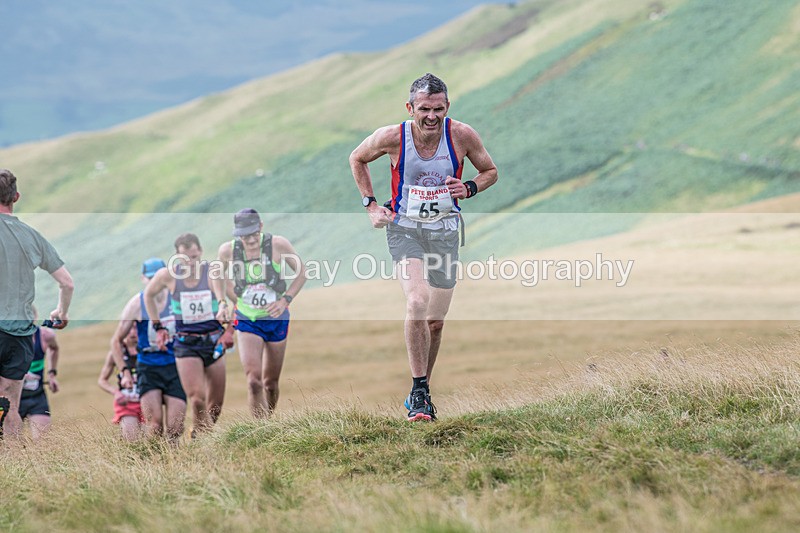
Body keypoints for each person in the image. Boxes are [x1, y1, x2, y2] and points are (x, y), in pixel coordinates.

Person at [349, 74, 498, 421]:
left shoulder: (462, 135)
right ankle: (419, 392)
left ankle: (421, 393)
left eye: (438, 109)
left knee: (435, 323)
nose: (432, 116)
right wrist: (371, 205)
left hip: (445, 233)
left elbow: (490, 171)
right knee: (417, 300)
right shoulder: (392, 137)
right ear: (410, 108)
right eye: (424, 109)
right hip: (405, 230)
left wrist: (470, 188)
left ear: (447, 107)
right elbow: (357, 158)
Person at [0, 168, 74, 439]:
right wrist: (60, 312)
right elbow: (67, 283)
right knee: (10, 404)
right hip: (18, 334)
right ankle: (12, 461)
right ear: (16, 197)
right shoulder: (32, 236)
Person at [216, 208, 306, 418]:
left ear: (261, 227)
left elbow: (302, 272)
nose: (250, 240)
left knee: (270, 383)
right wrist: (222, 302)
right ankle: (259, 427)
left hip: (276, 319)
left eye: (254, 234)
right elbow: (217, 275)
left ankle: (269, 421)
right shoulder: (227, 251)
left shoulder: (278, 245)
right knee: (253, 381)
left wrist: (285, 299)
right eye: (244, 236)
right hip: (247, 319)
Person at [145, 235, 232, 435]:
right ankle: (204, 441)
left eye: (193, 257)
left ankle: (199, 433)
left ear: (200, 251)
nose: (190, 262)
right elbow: (148, 295)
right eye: (185, 258)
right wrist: (158, 326)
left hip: (213, 341)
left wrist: (229, 331)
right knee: (197, 398)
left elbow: (238, 300)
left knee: (216, 404)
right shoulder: (168, 275)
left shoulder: (213, 274)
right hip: (186, 344)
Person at [113, 258, 186, 441]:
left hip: (176, 366)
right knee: (155, 425)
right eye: (151, 278)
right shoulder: (136, 304)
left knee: (176, 427)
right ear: (143, 279)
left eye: (158, 277)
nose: (155, 282)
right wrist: (125, 372)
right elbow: (116, 341)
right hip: (148, 368)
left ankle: (175, 457)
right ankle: (154, 456)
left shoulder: (177, 299)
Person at [99, 328, 143, 441]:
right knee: (131, 440)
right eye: (129, 328)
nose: (132, 332)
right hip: (127, 404)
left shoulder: (148, 350)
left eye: (135, 328)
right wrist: (116, 392)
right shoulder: (116, 354)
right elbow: (102, 380)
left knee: (152, 439)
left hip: (148, 401)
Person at [18, 321, 60, 441]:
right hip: (11, 400)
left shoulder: (44, 335)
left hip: (37, 397)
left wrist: (52, 374)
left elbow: (54, 348)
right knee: (11, 445)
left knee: (43, 443)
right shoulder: (5, 337)